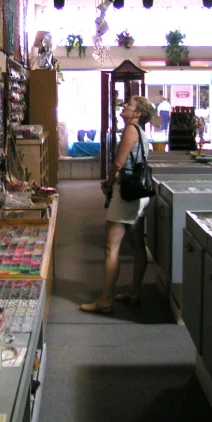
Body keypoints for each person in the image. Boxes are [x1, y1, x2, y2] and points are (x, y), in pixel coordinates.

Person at [80, 95, 156, 313]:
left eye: (129, 105)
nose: (124, 106)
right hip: (140, 195)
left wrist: (109, 183)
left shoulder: (131, 130)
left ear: (137, 114)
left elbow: (118, 163)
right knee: (137, 245)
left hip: (126, 195)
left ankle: (105, 300)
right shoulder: (142, 133)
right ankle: (134, 291)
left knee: (110, 248)